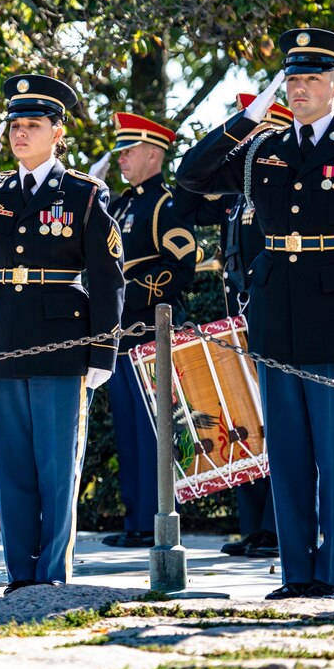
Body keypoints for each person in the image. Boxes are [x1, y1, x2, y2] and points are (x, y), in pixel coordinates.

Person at [176, 28, 334, 600]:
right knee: (287, 454)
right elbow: (192, 175)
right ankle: (296, 574)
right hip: (277, 312)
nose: (299, 87)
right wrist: (245, 120)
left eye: (311, 78)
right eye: (291, 78)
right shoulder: (265, 148)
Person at [0, 75, 125, 594]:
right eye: (14, 126)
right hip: (2, 335)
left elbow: (108, 279)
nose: (20, 134)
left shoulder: (84, 193)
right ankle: (20, 575)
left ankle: (52, 574)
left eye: (32, 126)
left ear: (57, 133)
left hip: (63, 340)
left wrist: (104, 350)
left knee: (57, 465)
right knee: (12, 465)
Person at [178, 93, 294, 559]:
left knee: (276, 423)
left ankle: (277, 526)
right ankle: (254, 527)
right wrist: (232, 131)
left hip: (272, 317)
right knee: (244, 423)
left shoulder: (280, 186)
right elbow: (186, 194)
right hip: (238, 323)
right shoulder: (236, 196)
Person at [98, 113, 197, 548]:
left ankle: (155, 521)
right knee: (128, 429)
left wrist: (124, 296)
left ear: (154, 153)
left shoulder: (166, 205)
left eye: (130, 149)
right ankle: (136, 520)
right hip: (120, 333)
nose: (122, 157)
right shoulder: (119, 205)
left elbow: (179, 267)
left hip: (149, 332)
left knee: (152, 430)